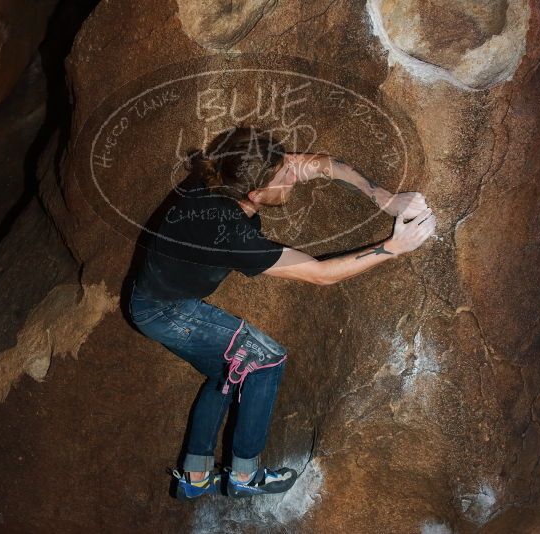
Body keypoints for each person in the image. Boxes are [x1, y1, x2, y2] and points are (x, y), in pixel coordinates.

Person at [128, 126, 435, 500]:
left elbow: (320, 166)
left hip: (154, 296)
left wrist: (385, 198)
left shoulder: (229, 171)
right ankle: (245, 474)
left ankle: (195, 476)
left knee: (225, 371)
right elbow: (319, 274)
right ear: (255, 194)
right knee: (266, 358)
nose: (293, 172)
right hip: (166, 312)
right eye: (284, 176)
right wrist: (393, 247)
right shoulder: (229, 234)